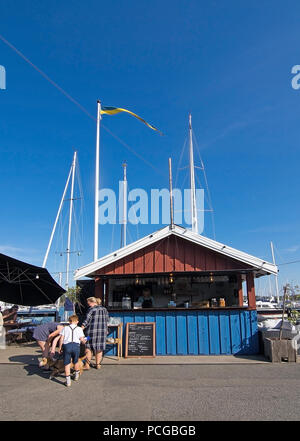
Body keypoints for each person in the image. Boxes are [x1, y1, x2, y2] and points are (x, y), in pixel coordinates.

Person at [58, 314, 86, 387]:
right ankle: (76, 375)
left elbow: (61, 339)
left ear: (69, 321)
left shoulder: (65, 328)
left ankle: (68, 382)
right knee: (75, 361)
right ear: (77, 321)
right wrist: (85, 341)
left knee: (67, 364)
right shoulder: (79, 329)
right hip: (76, 346)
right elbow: (82, 340)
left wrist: (60, 347)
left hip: (67, 346)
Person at [81, 297, 109, 370]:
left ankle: (87, 365)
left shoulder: (91, 309)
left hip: (90, 333)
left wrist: (81, 328)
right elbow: (107, 320)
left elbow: (87, 320)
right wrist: (106, 329)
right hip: (102, 333)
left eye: (89, 303)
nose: (88, 305)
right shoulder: (104, 309)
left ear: (92, 302)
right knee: (99, 348)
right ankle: (98, 364)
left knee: (88, 347)